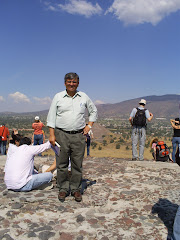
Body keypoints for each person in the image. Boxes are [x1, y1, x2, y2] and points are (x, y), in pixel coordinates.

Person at [47, 72, 98, 202]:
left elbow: (93, 111)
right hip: (61, 134)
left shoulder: (83, 96)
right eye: (69, 82)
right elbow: (51, 117)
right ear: (65, 83)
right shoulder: (58, 97)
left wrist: (89, 126)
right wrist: (52, 135)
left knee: (77, 164)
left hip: (79, 135)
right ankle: (63, 188)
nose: (71, 84)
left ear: (78, 83)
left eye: (74, 82)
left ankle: (75, 189)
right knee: (61, 163)